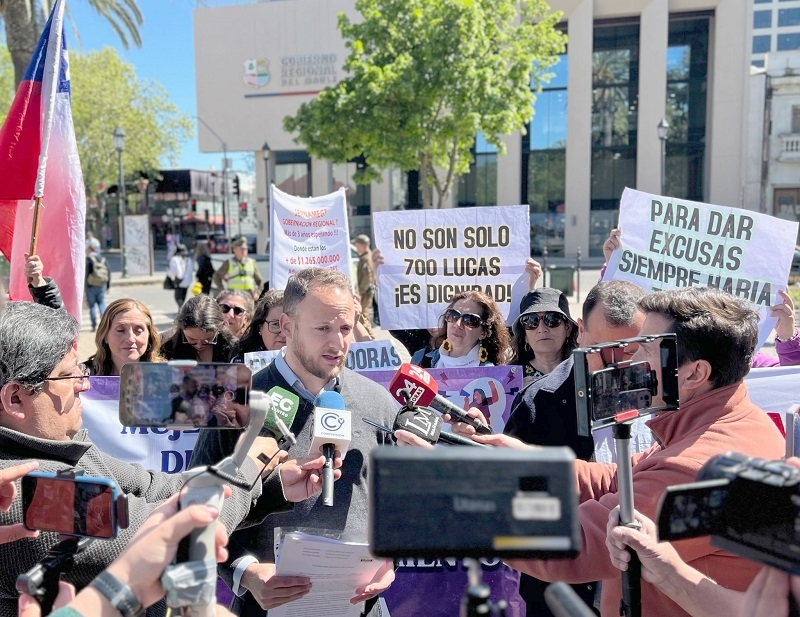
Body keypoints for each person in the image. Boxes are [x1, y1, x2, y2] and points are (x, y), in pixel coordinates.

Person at [0, 301, 339, 616]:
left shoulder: (65, 447)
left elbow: (162, 489)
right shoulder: (22, 491)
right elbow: (169, 536)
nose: (84, 386)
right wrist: (249, 463)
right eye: (71, 376)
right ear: (15, 398)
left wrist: (272, 485)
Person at [493, 287, 786, 617]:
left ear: (694, 373)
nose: (630, 361)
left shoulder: (697, 464)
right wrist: (514, 460)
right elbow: (619, 479)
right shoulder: (723, 420)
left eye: (644, 349)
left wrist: (457, 505)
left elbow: (577, 542)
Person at [191, 267, 397, 616]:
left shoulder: (378, 404)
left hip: (361, 607)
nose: (338, 343)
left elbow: (399, 504)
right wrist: (246, 573)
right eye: (323, 329)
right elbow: (198, 507)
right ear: (286, 327)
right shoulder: (234, 405)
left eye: (345, 328)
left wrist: (390, 559)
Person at [602, 227, 800, 367]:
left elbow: (787, 382)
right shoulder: (657, 358)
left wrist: (787, 337)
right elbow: (613, 315)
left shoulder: (748, 361)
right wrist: (615, 268)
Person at [410, 290, 510, 368]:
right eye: (453, 315)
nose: (458, 324)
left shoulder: (494, 374)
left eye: (470, 320)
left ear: (483, 332)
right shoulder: (420, 360)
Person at [511, 286, 579, 388]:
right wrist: (515, 396)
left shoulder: (583, 372)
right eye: (531, 321)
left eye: (552, 319)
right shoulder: (510, 377)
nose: (542, 329)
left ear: (568, 328)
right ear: (524, 335)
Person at [86, 298, 164, 376]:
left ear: (149, 335)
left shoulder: (166, 376)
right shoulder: (84, 377)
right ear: (105, 335)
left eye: (139, 331)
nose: (130, 339)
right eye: (120, 330)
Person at [161, 295, 236, 363]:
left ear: (219, 329)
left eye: (207, 339)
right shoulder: (166, 346)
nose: (199, 345)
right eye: (192, 339)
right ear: (182, 329)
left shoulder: (232, 347)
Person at [230, 290, 286, 362]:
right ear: (259, 327)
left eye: (289, 325)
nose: (284, 334)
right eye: (276, 324)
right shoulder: (240, 363)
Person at [85, 246, 110, 332]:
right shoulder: (102, 258)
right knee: (101, 303)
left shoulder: (89, 259)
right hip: (101, 285)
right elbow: (108, 271)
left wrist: (85, 286)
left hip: (91, 285)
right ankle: (104, 324)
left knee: (92, 306)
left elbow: (86, 273)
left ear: (90, 250)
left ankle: (94, 325)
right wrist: (108, 286)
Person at [353, 234, 376, 323]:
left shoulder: (366, 258)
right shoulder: (367, 256)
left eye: (357, 244)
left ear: (362, 245)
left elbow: (368, 276)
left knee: (363, 316)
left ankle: (367, 336)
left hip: (365, 291)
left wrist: (361, 291)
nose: (356, 247)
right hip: (367, 290)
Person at [167, 244, 195, 309]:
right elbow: (191, 270)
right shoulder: (189, 259)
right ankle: (181, 308)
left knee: (177, 297)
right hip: (188, 281)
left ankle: (181, 309)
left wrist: (169, 275)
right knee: (183, 296)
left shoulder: (175, 259)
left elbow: (172, 271)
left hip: (179, 281)